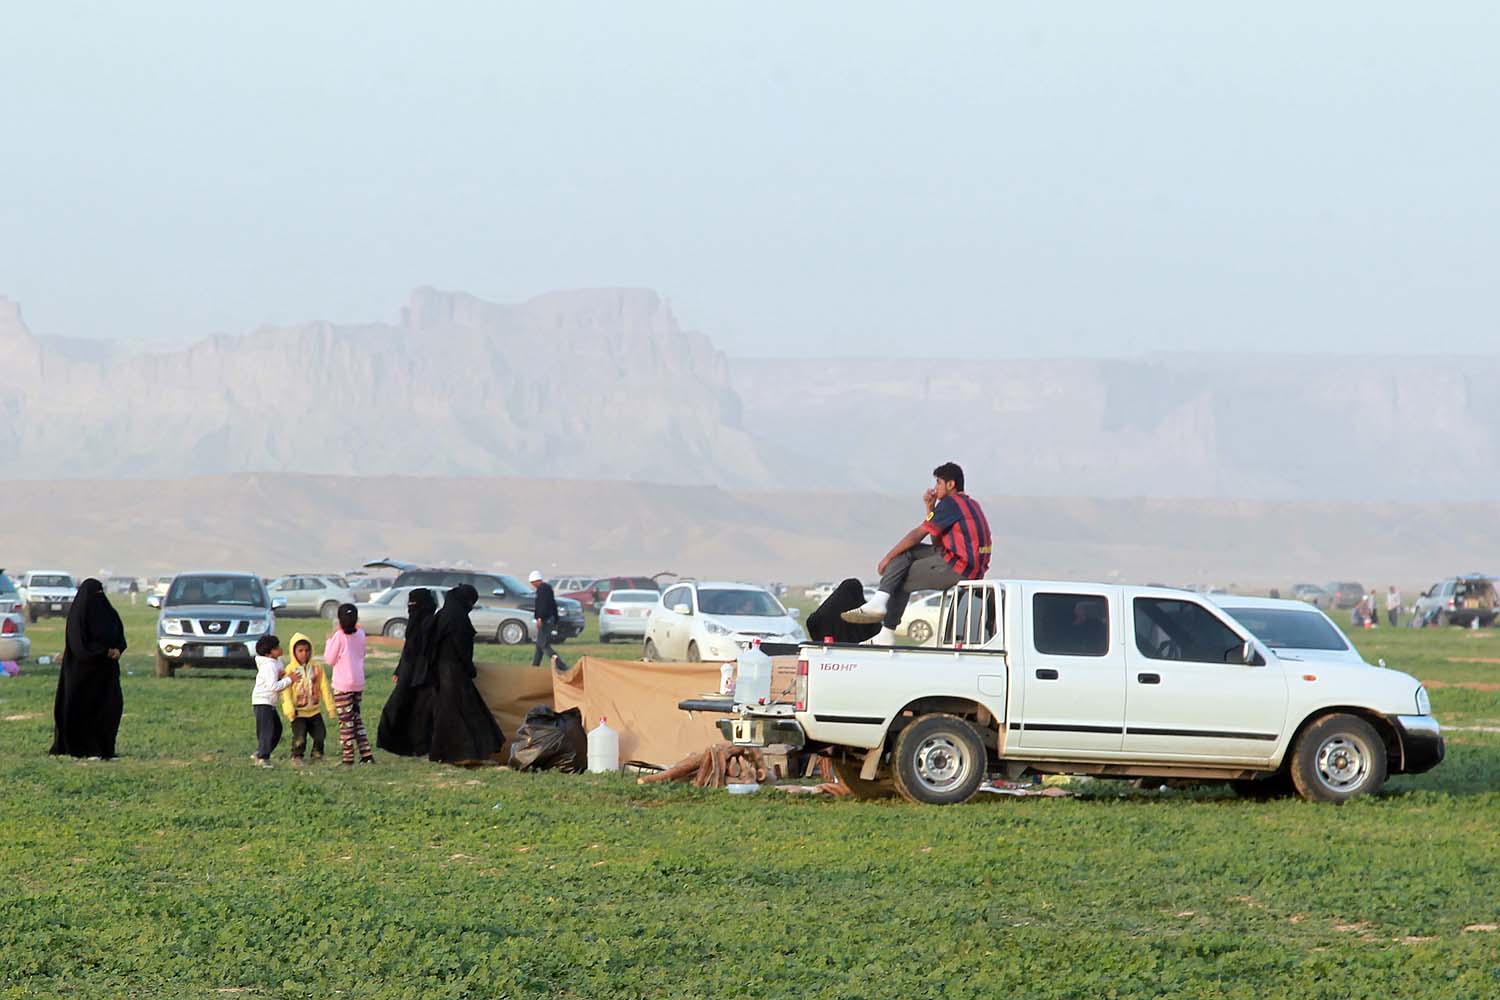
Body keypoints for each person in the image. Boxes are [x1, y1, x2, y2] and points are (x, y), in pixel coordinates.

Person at [843, 461, 992, 644]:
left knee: (899, 575)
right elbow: (936, 541)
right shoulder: (969, 503)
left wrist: (886, 558)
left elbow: (918, 534)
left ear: (950, 485)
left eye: (938, 482)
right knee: (906, 554)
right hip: (966, 564)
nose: (935, 488)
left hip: (958, 567)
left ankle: (885, 627)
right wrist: (930, 508)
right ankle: (880, 603)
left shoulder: (950, 503)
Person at [426, 584, 505, 765]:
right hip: (454, 672)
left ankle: (442, 752)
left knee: (446, 713)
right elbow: (461, 648)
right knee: (465, 713)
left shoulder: (442, 616)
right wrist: (470, 668)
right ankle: (467, 752)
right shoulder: (458, 619)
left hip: (441, 671)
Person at [49, 578, 127, 760]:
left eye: (101, 593)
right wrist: (102, 652)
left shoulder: (110, 614)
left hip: (106, 674)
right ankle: (83, 749)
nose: (99, 597)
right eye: (95, 594)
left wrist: (118, 649)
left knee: (109, 710)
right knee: (81, 711)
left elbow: (119, 635)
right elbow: (79, 646)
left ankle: (105, 749)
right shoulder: (79, 617)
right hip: (82, 674)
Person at [376, 588, 440, 757]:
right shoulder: (417, 621)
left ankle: (417, 746)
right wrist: (400, 670)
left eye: (414, 603)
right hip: (411, 673)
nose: (411, 607)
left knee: (417, 711)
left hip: (422, 674)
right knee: (401, 707)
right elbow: (408, 649)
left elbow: (423, 651)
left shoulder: (429, 623)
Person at [324, 603, 373, 765]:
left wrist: (328, 641)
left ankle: (348, 757)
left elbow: (329, 659)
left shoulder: (339, 636)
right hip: (358, 682)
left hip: (343, 685)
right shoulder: (361, 634)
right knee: (356, 718)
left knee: (346, 722)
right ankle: (366, 754)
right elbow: (362, 653)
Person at [279, 632, 335, 765]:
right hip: (298, 713)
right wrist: (289, 709)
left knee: (320, 735)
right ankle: (297, 756)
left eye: (307, 650)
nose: (304, 654)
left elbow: (325, 688)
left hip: (314, 711)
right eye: (300, 651)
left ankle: (317, 755)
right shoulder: (290, 670)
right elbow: (285, 691)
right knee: (300, 738)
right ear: (294, 652)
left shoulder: (317, 668)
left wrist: (331, 708)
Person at [251, 634, 294, 768]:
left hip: (270, 703)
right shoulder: (269, 665)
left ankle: (262, 752)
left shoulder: (275, 662)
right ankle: (263, 757)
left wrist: (281, 677)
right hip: (263, 702)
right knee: (267, 731)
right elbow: (273, 686)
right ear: (269, 653)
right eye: (276, 648)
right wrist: (290, 680)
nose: (280, 650)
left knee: (277, 729)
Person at [528, 571, 568, 671]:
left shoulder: (541, 590)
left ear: (535, 581)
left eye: (532, 583)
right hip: (550, 619)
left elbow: (542, 606)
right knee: (539, 645)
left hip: (545, 620)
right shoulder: (548, 588)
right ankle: (534, 667)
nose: (532, 585)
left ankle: (562, 666)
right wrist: (556, 618)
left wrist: (540, 618)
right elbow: (553, 604)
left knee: (543, 645)